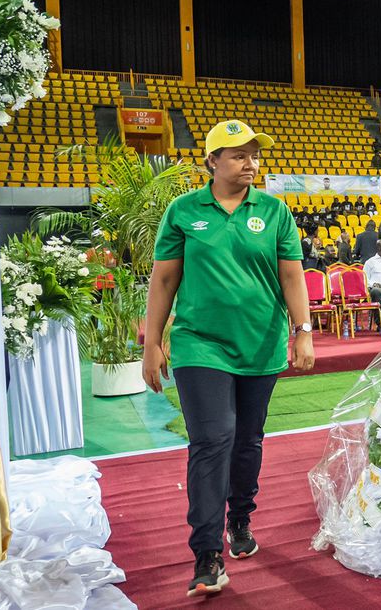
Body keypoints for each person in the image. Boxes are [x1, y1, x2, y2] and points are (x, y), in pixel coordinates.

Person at [143, 119, 315, 597]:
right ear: (212, 161)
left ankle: (240, 518)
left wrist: (302, 332)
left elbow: (292, 276)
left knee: (246, 440)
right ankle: (207, 553)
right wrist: (151, 342)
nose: (250, 163)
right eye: (239, 155)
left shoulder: (275, 211)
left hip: (261, 342)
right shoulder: (183, 211)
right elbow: (164, 279)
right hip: (199, 344)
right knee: (212, 438)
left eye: (254, 155)